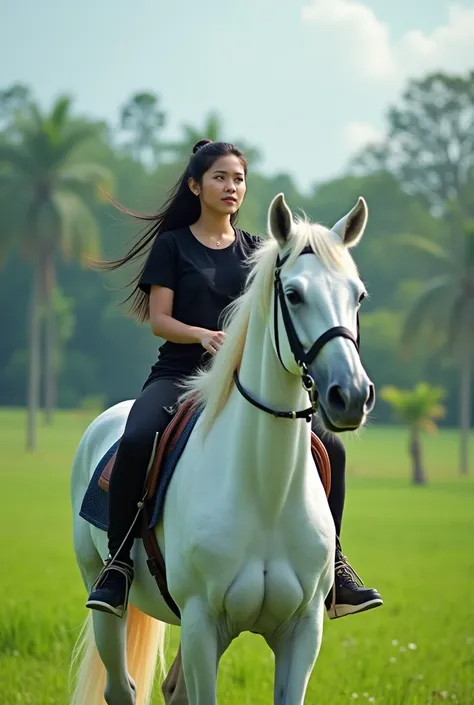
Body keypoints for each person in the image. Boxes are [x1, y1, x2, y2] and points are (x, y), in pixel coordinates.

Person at [86, 139, 383, 620]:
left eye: (239, 179)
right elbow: (160, 319)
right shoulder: (173, 245)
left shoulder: (260, 252)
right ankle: (118, 565)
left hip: (245, 380)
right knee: (138, 436)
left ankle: (337, 565)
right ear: (195, 186)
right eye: (220, 177)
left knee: (335, 448)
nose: (231, 187)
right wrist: (203, 336)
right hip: (181, 373)